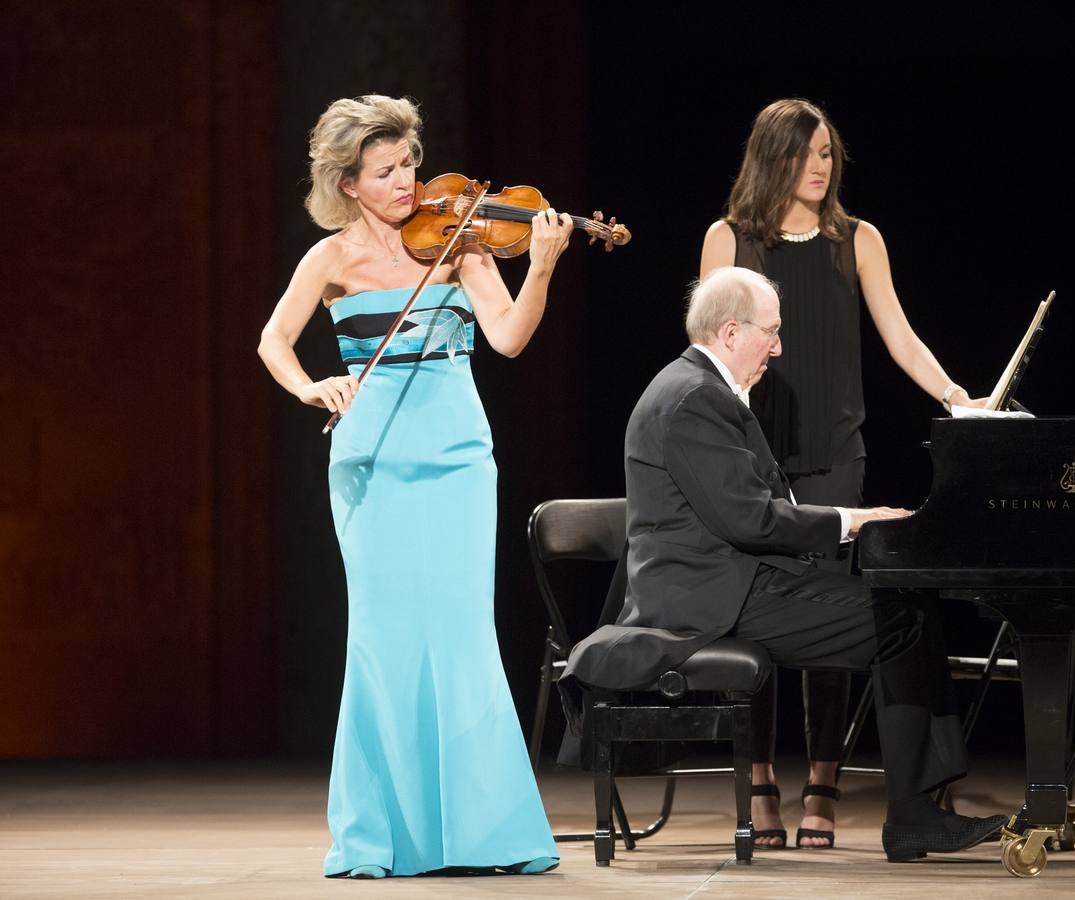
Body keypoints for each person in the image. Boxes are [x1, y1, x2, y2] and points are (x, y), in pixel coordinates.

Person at [563, 267, 1007, 862]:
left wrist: (844, 527)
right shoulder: (695, 398)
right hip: (711, 599)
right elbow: (750, 520)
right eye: (769, 332)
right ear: (729, 332)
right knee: (903, 620)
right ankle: (915, 814)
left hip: (728, 581)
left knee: (904, 603)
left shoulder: (699, 389)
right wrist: (852, 520)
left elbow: (758, 510)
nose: (778, 346)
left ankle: (923, 807)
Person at [258, 95, 569, 878]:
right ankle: (382, 834)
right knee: (385, 641)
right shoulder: (329, 260)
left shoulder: (462, 245)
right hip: (371, 464)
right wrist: (311, 387)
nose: (408, 183)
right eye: (385, 171)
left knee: (462, 636)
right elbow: (272, 340)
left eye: (410, 165)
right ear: (349, 185)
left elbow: (507, 338)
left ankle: (485, 833)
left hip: (458, 457)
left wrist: (540, 267)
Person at [700, 98, 985, 849]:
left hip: (835, 454)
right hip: (749, 457)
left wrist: (961, 400)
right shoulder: (727, 240)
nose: (823, 167)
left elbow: (900, 335)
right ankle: (759, 780)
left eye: (830, 154)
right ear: (775, 158)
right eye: (810, 153)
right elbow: (707, 356)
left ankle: (821, 785)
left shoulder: (858, 241)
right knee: (755, 616)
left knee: (831, 614)